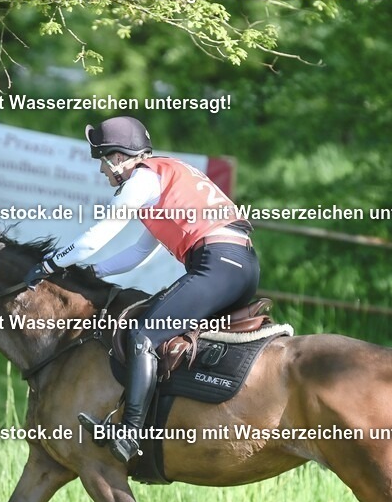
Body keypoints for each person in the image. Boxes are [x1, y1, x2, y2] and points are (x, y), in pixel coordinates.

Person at [24, 116, 260, 463]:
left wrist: (50, 264)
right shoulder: (164, 178)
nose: (101, 172)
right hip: (241, 264)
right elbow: (137, 253)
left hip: (218, 264)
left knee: (143, 336)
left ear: (117, 158)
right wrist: (92, 271)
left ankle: (131, 433)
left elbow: (97, 237)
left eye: (101, 161)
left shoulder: (142, 181)